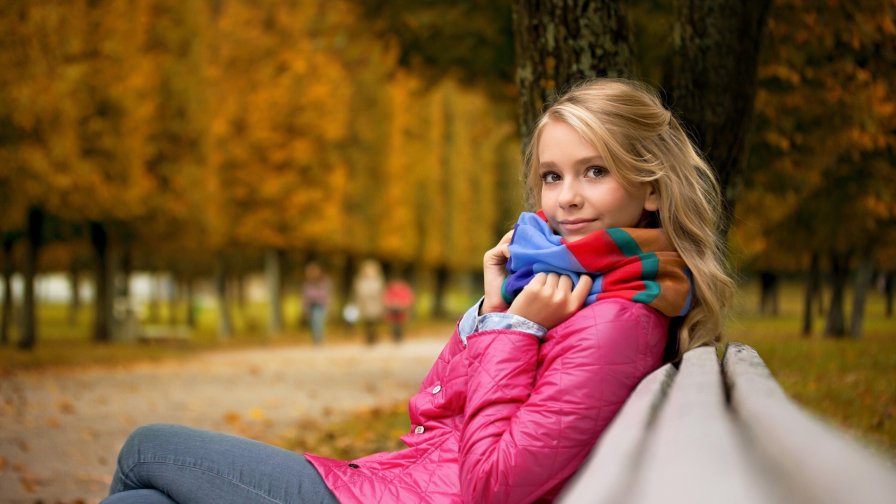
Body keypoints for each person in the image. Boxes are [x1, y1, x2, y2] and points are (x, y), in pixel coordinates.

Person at [100, 78, 734, 504]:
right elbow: (430, 413)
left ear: (651, 188)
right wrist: (493, 312)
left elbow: (493, 482)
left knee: (145, 449)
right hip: (404, 485)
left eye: (595, 172)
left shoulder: (614, 319)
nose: (566, 196)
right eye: (551, 176)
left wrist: (516, 332)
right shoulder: (584, 289)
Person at [352, 259, 385, 345]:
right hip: (365, 303)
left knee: (374, 321)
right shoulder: (360, 280)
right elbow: (358, 292)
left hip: (375, 303)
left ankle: (373, 336)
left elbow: (380, 292)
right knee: (367, 321)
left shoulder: (378, 280)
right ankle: (369, 337)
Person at [301, 262, 331, 345]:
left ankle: (320, 338)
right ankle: (315, 339)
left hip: (320, 304)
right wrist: (304, 307)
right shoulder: (307, 283)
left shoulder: (323, 281)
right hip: (311, 305)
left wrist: (327, 304)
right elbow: (304, 295)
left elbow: (326, 294)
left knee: (319, 321)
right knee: (313, 322)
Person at [383, 277, 415, 342]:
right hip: (392, 311)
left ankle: (399, 336)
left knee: (399, 324)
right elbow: (386, 299)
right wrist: (391, 304)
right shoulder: (390, 291)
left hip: (401, 312)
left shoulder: (404, 290)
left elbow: (409, 300)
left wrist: (402, 305)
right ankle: (395, 336)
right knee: (394, 324)